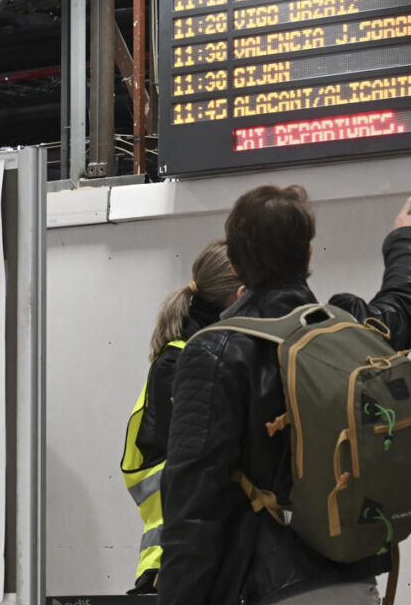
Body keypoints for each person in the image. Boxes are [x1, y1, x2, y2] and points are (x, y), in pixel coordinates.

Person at [157, 187, 411, 605]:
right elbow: (401, 307)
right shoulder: (348, 332)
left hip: (268, 587)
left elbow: (193, 507)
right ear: (308, 254)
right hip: (356, 583)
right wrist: (408, 240)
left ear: (235, 262)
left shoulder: (216, 352)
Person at [122, 241, 243, 595]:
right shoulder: (183, 363)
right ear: (237, 295)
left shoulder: (192, 354)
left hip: (190, 559)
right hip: (176, 561)